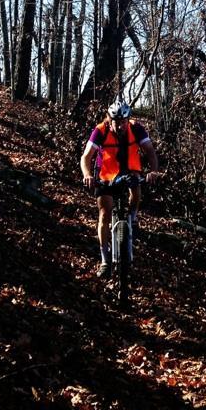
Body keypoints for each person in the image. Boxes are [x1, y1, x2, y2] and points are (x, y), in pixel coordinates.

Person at [80, 100, 161, 279]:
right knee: (104, 213)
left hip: (130, 170)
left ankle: (132, 217)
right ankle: (105, 260)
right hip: (106, 174)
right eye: (116, 121)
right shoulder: (100, 131)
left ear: (128, 119)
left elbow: (150, 152)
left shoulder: (137, 129)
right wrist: (87, 175)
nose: (120, 125)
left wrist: (153, 171)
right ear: (109, 119)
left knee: (136, 190)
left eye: (123, 121)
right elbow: (86, 157)